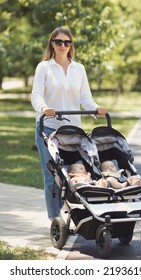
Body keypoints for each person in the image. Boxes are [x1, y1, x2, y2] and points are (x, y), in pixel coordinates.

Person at [31, 27, 107, 221]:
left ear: (71, 45)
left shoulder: (79, 68)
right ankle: (55, 219)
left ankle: (84, 216)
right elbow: (36, 95)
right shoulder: (44, 67)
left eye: (67, 42)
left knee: (76, 174)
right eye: (59, 42)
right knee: (52, 178)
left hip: (74, 131)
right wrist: (44, 107)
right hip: (48, 129)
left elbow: (85, 98)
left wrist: (96, 108)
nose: (63, 45)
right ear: (52, 44)